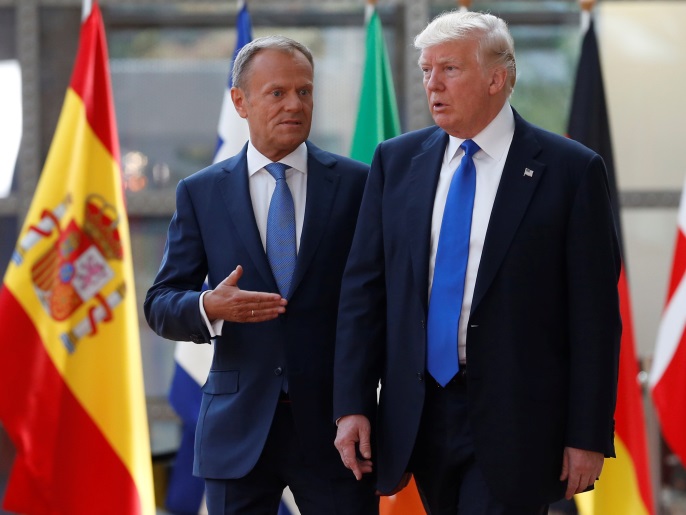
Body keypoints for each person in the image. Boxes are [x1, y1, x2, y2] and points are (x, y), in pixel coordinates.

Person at [333, 10, 621, 515]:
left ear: (497, 77)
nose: (432, 84)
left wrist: (588, 433)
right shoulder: (396, 163)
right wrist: (352, 405)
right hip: (418, 414)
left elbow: (595, 318)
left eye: (449, 69)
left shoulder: (570, 171)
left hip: (520, 419)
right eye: (426, 70)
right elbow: (364, 293)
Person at [145, 35, 377, 515]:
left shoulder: (358, 184)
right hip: (238, 427)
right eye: (277, 93)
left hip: (337, 428)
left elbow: (380, 299)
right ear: (240, 101)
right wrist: (208, 307)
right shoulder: (201, 192)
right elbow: (161, 301)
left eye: (305, 92)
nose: (294, 104)